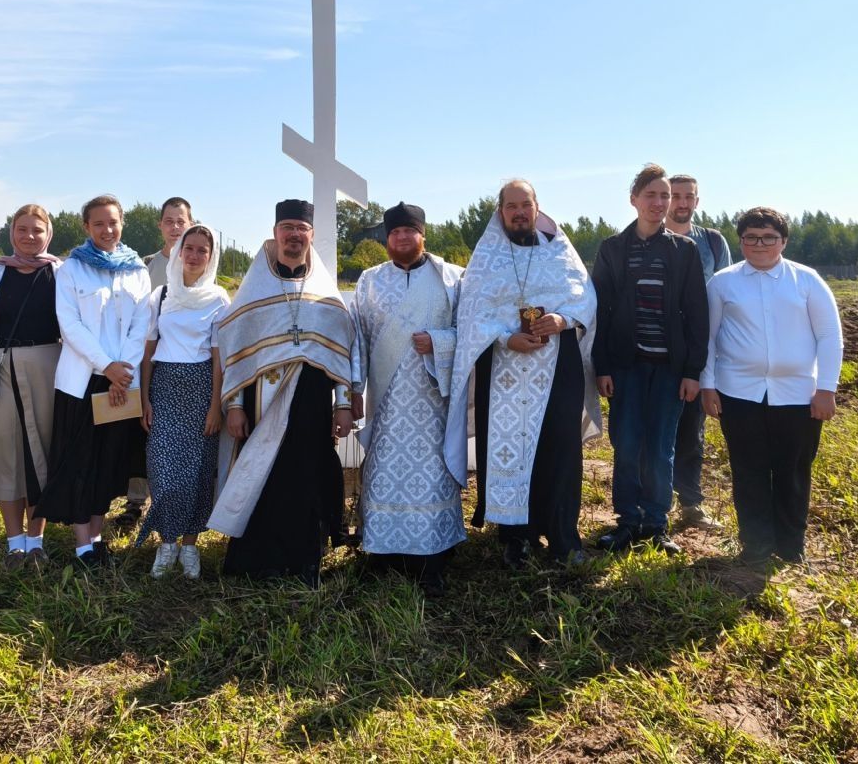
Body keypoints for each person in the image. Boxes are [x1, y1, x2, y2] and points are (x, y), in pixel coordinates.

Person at [447, 180, 600, 570]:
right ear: (500, 212)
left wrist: (561, 318)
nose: (519, 212)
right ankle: (516, 538)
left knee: (560, 450)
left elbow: (584, 297)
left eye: (525, 204)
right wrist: (504, 337)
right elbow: (472, 314)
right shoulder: (485, 259)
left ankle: (564, 537)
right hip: (503, 372)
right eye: (511, 206)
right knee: (508, 454)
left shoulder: (561, 253)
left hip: (556, 367)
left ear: (537, 208)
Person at [208, 199, 356, 585]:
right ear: (275, 234)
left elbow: (342, 355)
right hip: (261, 401)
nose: (294, 235)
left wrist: (343, 406)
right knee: (265, 477)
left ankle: (306, 559)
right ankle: (260, 560)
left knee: (307, 476)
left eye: (300, 229)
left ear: (311, 235)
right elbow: (235, 352)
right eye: (287, 227)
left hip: (312, 403)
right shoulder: (254, 290)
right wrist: (234, 406)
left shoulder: (325, 294)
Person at [701, 207, 843, 567]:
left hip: (798, 395)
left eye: (768, 237)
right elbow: (708, 337)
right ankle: (756, 545)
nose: (759, 244)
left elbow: (829, 336)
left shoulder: (807, 281)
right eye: (751, 237)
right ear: (741, 241)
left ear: (783, 241)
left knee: (793, 471)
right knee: (748, 471)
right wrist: (708, 384)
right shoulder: (722, 282)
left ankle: (790, 546)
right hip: (739, 393)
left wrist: (826, 388)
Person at [591, 164, 708, 557]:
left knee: (660, 447)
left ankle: (656, 524)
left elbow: (696, 313)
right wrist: (602, 366)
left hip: (669, 369)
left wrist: (692, 371)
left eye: (666, 196)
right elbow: (601, 311)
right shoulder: (612, 249)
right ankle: (627, 522)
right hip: (625, 366)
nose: (660, 203)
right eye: (652, 195)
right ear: (634, 200)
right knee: (626, 445)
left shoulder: (684, 250)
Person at [351, 202, 465, 596]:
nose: (401, 237)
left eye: (409, 231)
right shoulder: (369, 281)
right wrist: (353, 390)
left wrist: (439, 342)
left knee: (431, 474)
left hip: (432, 400)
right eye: (395, 232)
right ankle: (383, 551)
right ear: (387, 238)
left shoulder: (451, 278)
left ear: (422, 235)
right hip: (385, 399)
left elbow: (468, 333)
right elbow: (357, 339)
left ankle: (432, 556)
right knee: (384, 473)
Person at [34, 194, 151, 570]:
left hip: (122, 384)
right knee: (81, 461)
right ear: (86, 227)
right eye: (98, 223)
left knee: (108, 463)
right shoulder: (70, 270)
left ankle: (98, 539)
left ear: (122, 224)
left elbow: (141, 326)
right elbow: (70, 326)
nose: (107, 230)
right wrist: (107, 366)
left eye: (113, 222)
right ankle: (83, 545)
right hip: (82, 382)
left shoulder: (137, 270)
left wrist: (124, 371)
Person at [0, 204, 63, 569]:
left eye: (37, 230)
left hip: (48, 368)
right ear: (12, 233)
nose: (30, 236)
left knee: (41, 453)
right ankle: (13, 543)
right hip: (0, 368)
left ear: (48, 234)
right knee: (6, 451)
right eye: (22, 229)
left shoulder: (61, 274)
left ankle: (36, 540)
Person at [136, 225, 230, 579]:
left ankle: (189, 545)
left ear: (211, 256)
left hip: (202, 387)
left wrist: (215, 405)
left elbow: (220, 356)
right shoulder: (161, 295)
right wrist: (144, 397)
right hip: (164, 388)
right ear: (178, 252)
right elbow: (148, 351)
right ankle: (166, 542)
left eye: (202, 250)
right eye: (189, 248)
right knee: (163, 471)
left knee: (199, 473)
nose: (194, 256)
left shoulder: (219, 299)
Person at [116, 197, 194, 530]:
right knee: (141, 432)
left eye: (181, 221)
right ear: (160, 225)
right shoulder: (145, 266)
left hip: (185, 366)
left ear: (190, 224)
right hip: (146, 361)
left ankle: (177, 501)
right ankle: (136, 502)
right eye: (169, 221)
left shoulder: (200, 263)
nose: (175, 227)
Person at [665, 174, 732, 530]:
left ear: (697, 200)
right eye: (676, 195)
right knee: (653, 432)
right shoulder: (645, 239)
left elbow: (727, 296)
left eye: (689, 196)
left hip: (697, 351)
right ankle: (651, 505)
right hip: (654, 352)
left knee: (692, 431)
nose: (682, 202)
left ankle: (691, 505)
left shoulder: (713, 243)